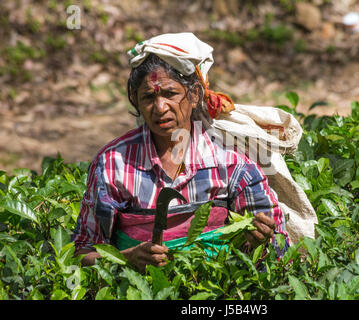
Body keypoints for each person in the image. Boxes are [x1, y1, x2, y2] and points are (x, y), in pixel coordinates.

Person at [72, 32, 289, 273]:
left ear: (194, 95)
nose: (160, 107)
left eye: (170, 94)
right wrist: (125, 259)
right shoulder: (113, 164)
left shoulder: (231, 163)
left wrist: (258, 242)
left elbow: (278, 245)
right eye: (148, 97)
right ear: (136, 100)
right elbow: (81, 251)